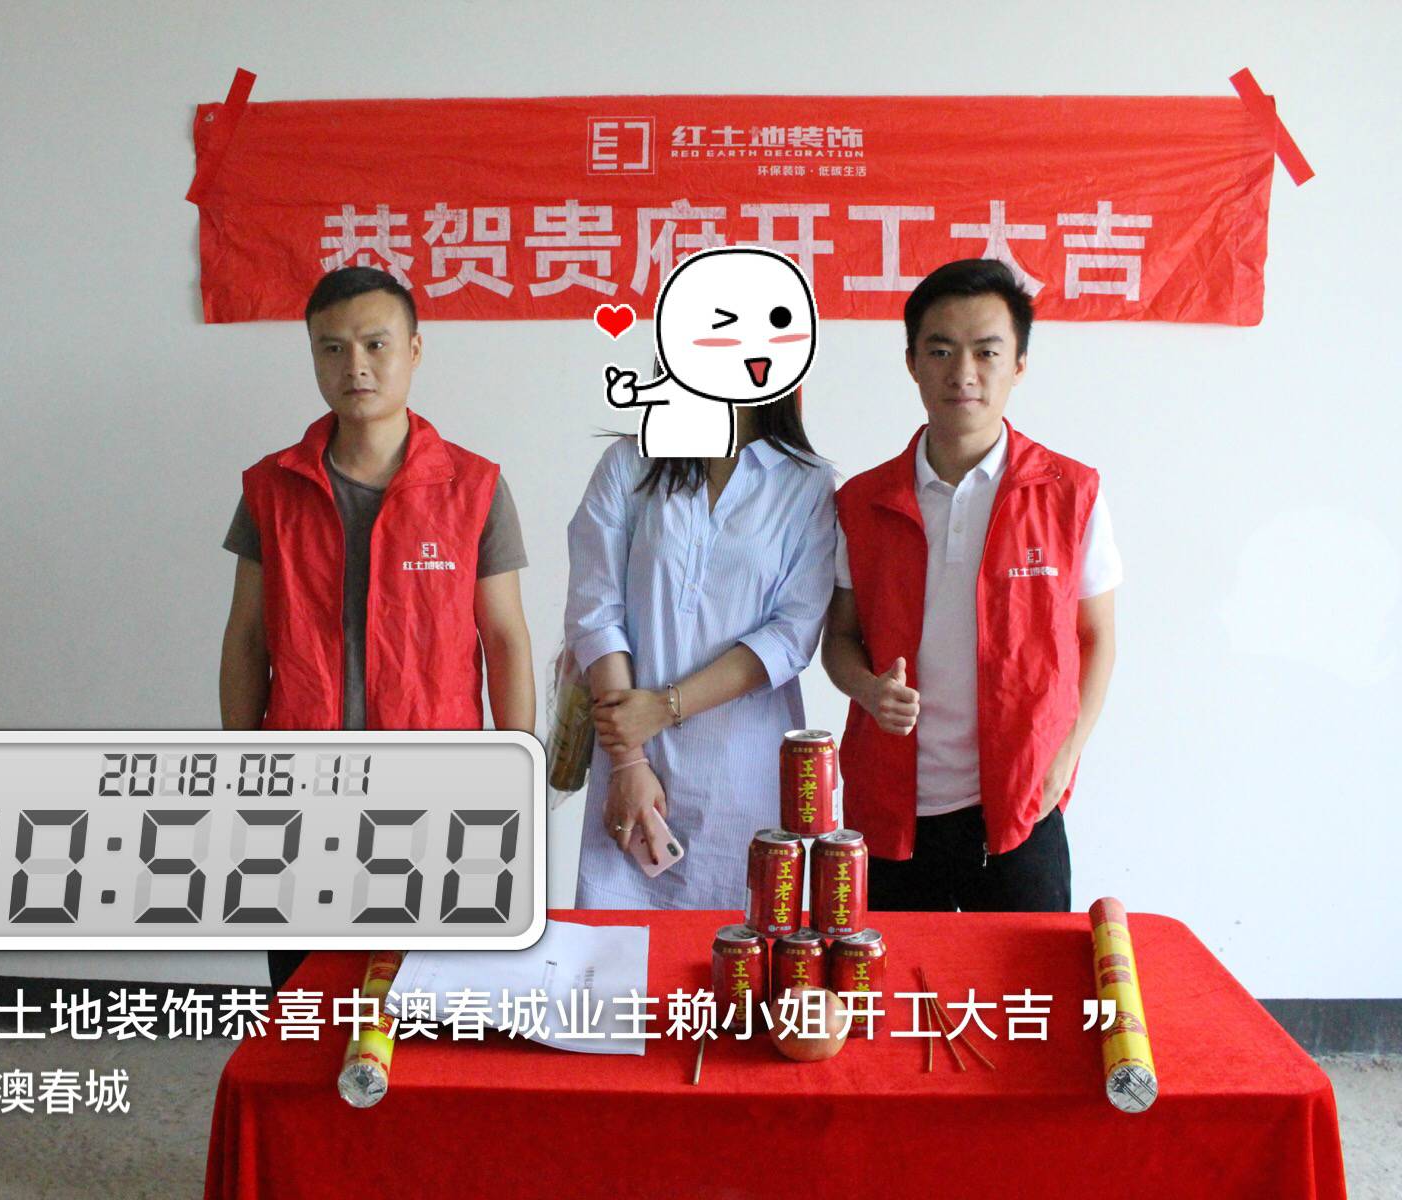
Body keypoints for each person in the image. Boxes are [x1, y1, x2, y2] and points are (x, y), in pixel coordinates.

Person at [219, 266, 535, 989]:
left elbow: (506, 640)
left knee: (430, 996)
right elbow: (246, 637)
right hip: (299, 789)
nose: (354, 365)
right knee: (303, 993)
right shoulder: (271, 488)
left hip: (437, 786)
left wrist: (514, 769)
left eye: (375, 344)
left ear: (414, 350)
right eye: (331, 348)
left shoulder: (473, 487)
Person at [823, 258, 1120, 913]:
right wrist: (868, 690)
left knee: (1023, 979)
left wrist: (1066, 757)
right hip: (892, 811)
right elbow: (839, 639)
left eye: (987, 352)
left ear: (1019, 364)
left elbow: (1097, 638)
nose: (963, 372)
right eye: (940, 350)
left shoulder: (1069, 494)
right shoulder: (863, 502)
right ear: (912, 363)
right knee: (890, 976)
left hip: (1021, 804)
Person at [564, 396, 836, 909]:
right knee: (618, 948)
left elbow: (791, 635)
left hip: (742, 776)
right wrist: (627, 761)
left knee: (741, 944)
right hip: (632, 767)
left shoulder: (806, 482)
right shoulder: (630, 462)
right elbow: (596, 611)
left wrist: (663, 707)